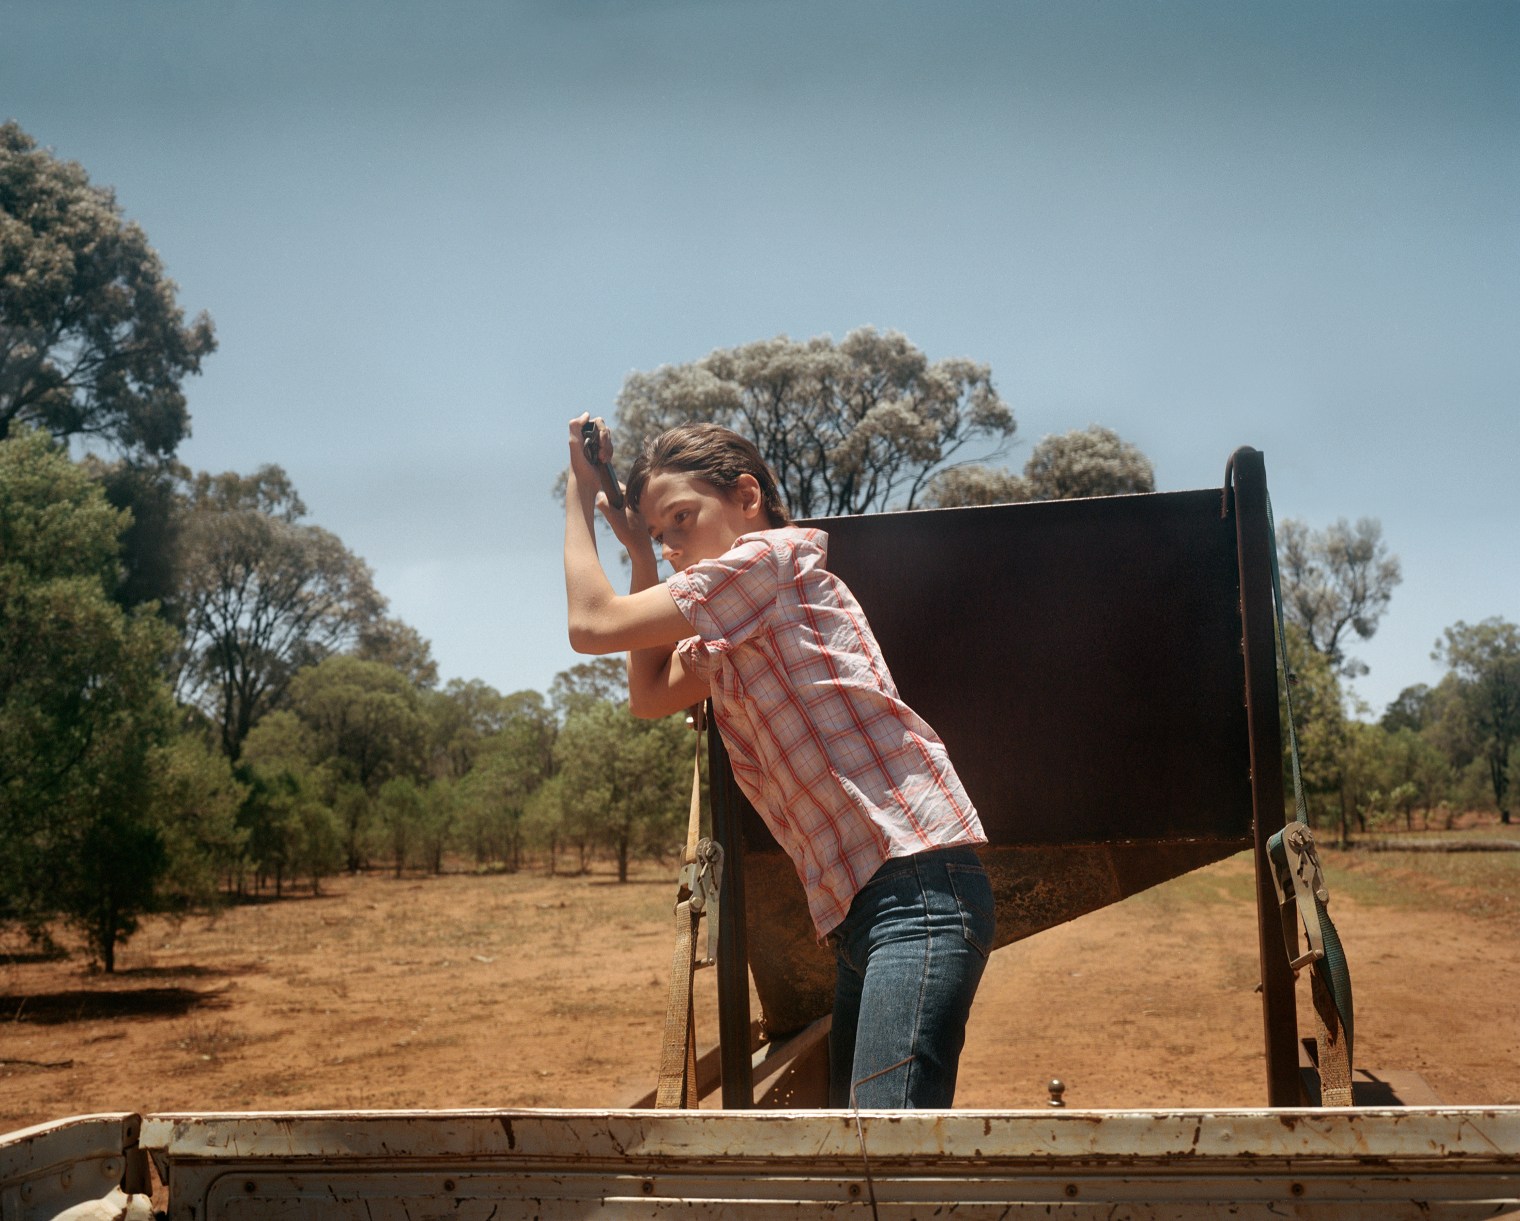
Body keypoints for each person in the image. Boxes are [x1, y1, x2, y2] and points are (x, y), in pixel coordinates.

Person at [562, 412, 993, 1108]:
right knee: (863, 1156)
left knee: (882, 1160)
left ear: (746, 497)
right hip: (866, 914)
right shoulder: (733, 630)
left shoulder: (762, 565)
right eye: (664, 535)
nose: (675, 546)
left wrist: (579, 495)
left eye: (682, 518)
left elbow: (592, 624)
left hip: (914, 889)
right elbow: (647, 693)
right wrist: (639, 549)